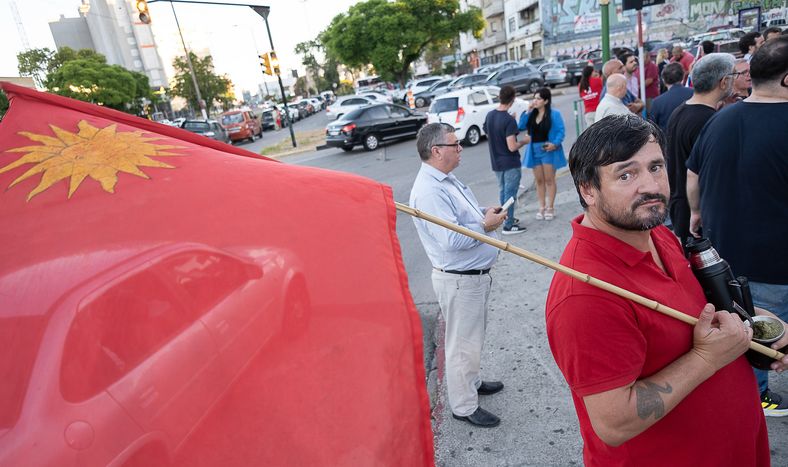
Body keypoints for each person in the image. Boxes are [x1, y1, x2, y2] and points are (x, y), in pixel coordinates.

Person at [547, 113, 786, 466]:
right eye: (626, 174)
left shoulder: (653, 231)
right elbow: (614, 423)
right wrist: (707, 359)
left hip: (736, 445)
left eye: (656, 167)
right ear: (588, 189)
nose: (651, 186)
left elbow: (701, 305)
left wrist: (762, 325)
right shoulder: (583, 296)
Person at [687, 36, 788, 417]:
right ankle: (760, 397)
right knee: (770, 337)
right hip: (776, 264)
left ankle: (754, 396)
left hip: (725, 258)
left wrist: (697, 215)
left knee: (748, 334)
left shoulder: (719, 120)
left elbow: (692, 177)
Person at [409, 123, 508, 428]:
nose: (460, 147)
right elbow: (450, 239)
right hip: (460, 279)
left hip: (471, 277)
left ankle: (472, 382)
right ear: (436, 151)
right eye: (454, 144)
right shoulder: (429, 191)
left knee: (471, 339)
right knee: (461, 345)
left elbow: (463, 216)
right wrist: (485, 226)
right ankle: (463, 405)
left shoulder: (445, 180)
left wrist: (483, 212)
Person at [665, 53, 734, 251]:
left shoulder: (681, 111)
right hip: (701, 215)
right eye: (734, 75)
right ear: (723, 82)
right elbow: (704, 173)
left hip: (681, 208)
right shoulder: (709, 121)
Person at [483, 85, 528, 234]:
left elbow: (489, 134)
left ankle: (505, 218)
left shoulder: (490, 115)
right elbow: (512, 146)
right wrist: (525, 141)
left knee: (503, 192)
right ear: (513, 99)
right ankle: (508, 225)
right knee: (510, 195)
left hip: (496, 161)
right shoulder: (508, 120)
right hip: (510, 162)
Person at [517, 87, 567, 221]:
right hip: (534, 150)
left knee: (549, 180)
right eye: (534, 98)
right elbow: (520, 126)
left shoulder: (554, 114)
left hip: (548, 149)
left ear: (545, 101)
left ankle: (550, 207)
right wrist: (528, 110)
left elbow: (561, 131)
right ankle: (542, 206)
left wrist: (554, 144)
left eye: (538, 98)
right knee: (539, 181)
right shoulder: (531, 113)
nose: (535, 100)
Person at [648, 62, 693, 131]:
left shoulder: (657, 102)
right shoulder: (694, 93)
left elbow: (652, 128)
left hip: (667, 139)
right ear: (683, 76)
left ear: (663, 80)